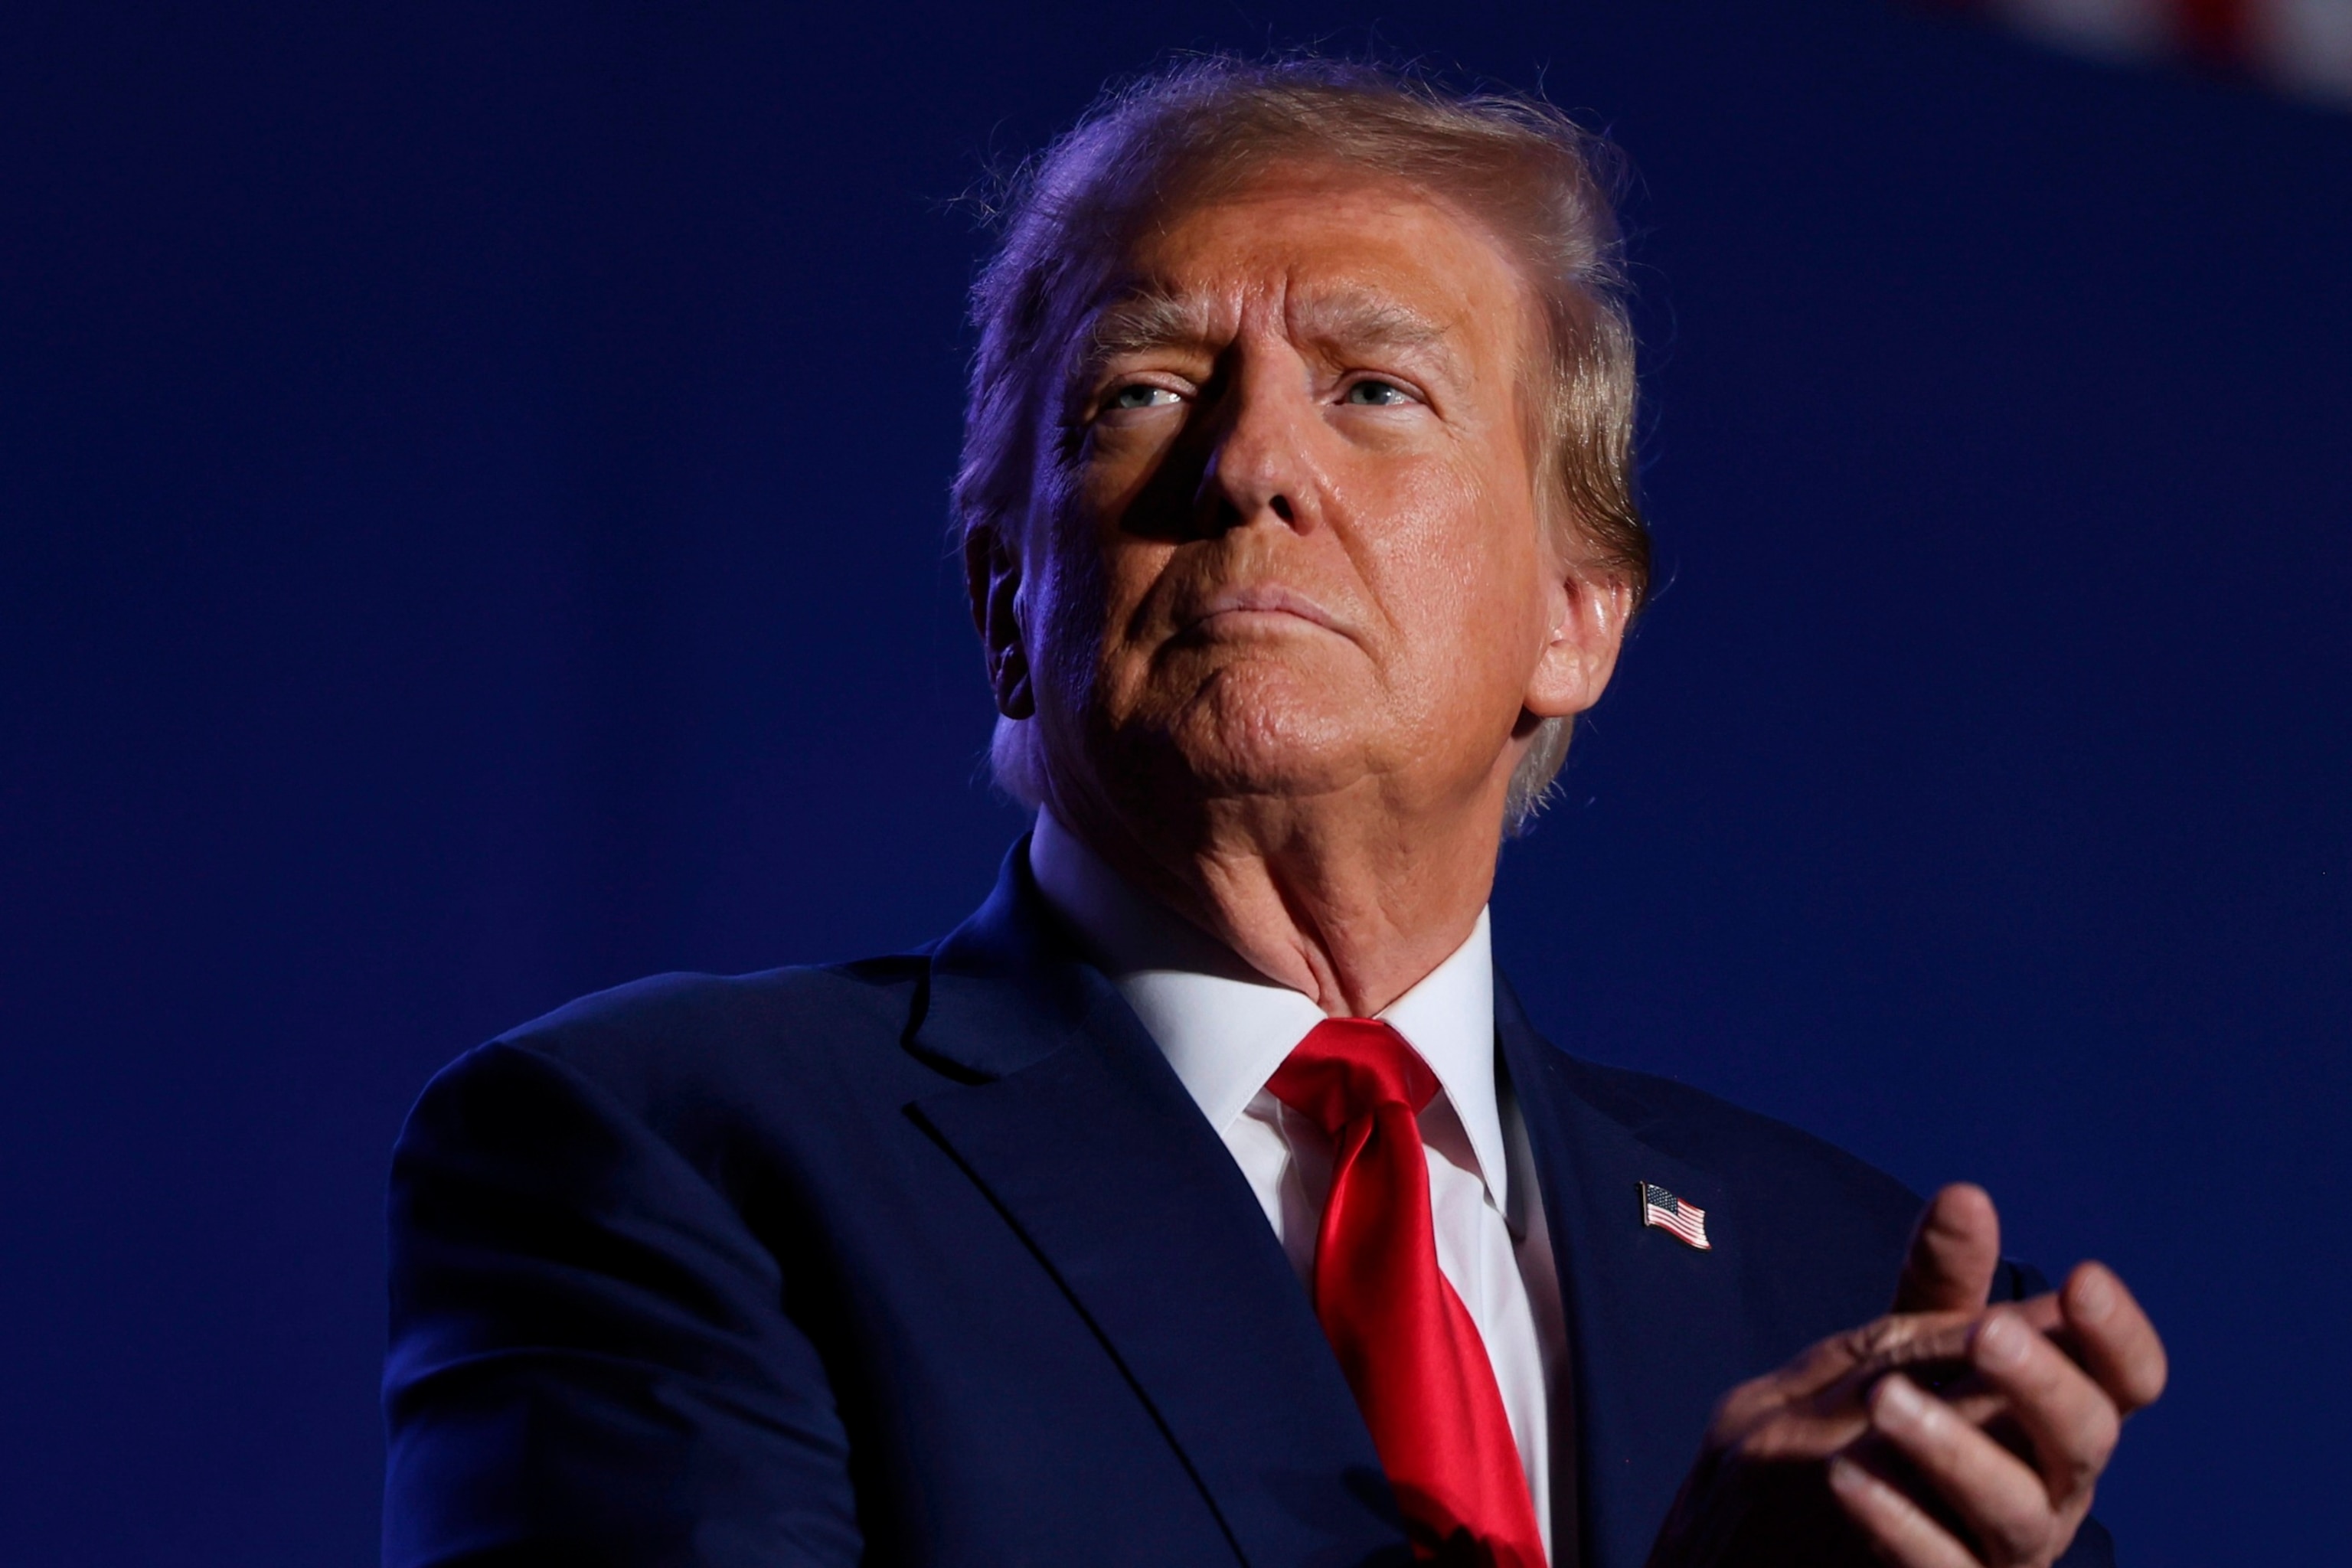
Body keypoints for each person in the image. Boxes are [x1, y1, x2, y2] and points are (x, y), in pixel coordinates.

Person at [381, 57, 2165, 1568]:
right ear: (1008, 602)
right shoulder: (671, 1156)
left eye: (1376, 391)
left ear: (1575, 614)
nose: (1247, 466)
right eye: (1144, 393)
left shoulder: (1842, 1294)